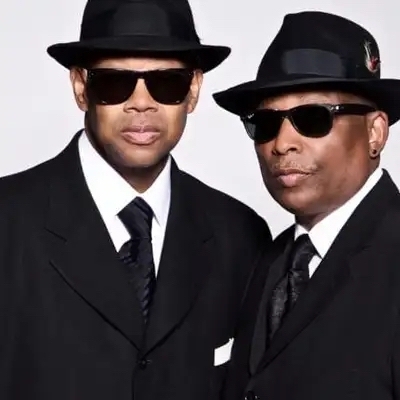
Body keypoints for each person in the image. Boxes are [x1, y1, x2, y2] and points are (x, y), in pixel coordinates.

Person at [0, 0, 272, 399]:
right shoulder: (8, 221)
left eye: (167, 84)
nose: (141, 103)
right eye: (114, 83)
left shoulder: (240, 235)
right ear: (80, 87)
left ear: (193, 90)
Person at [213, 10, 400, 400]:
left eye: (313, 119)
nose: (282, 144)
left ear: (375, 132)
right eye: (266, 123)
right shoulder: (268, 260)